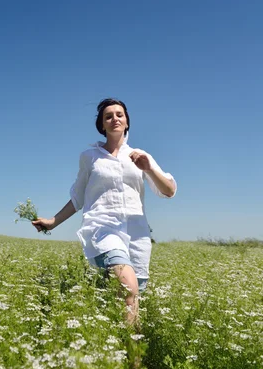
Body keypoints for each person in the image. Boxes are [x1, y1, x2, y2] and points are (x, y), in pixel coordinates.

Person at [32, 98, 177, 325]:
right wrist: (52, 222)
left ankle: (131, 355)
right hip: (103, 228)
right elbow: (77, 197)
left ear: (127, 122)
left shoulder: (140, 156)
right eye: (108, 116)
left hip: (137, 234)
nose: (114, 119)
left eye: (119, 114)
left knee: (130, 298)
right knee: (128, 286)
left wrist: (148, 168)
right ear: (102, 125)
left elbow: (168, 190)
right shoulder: (90, 157)